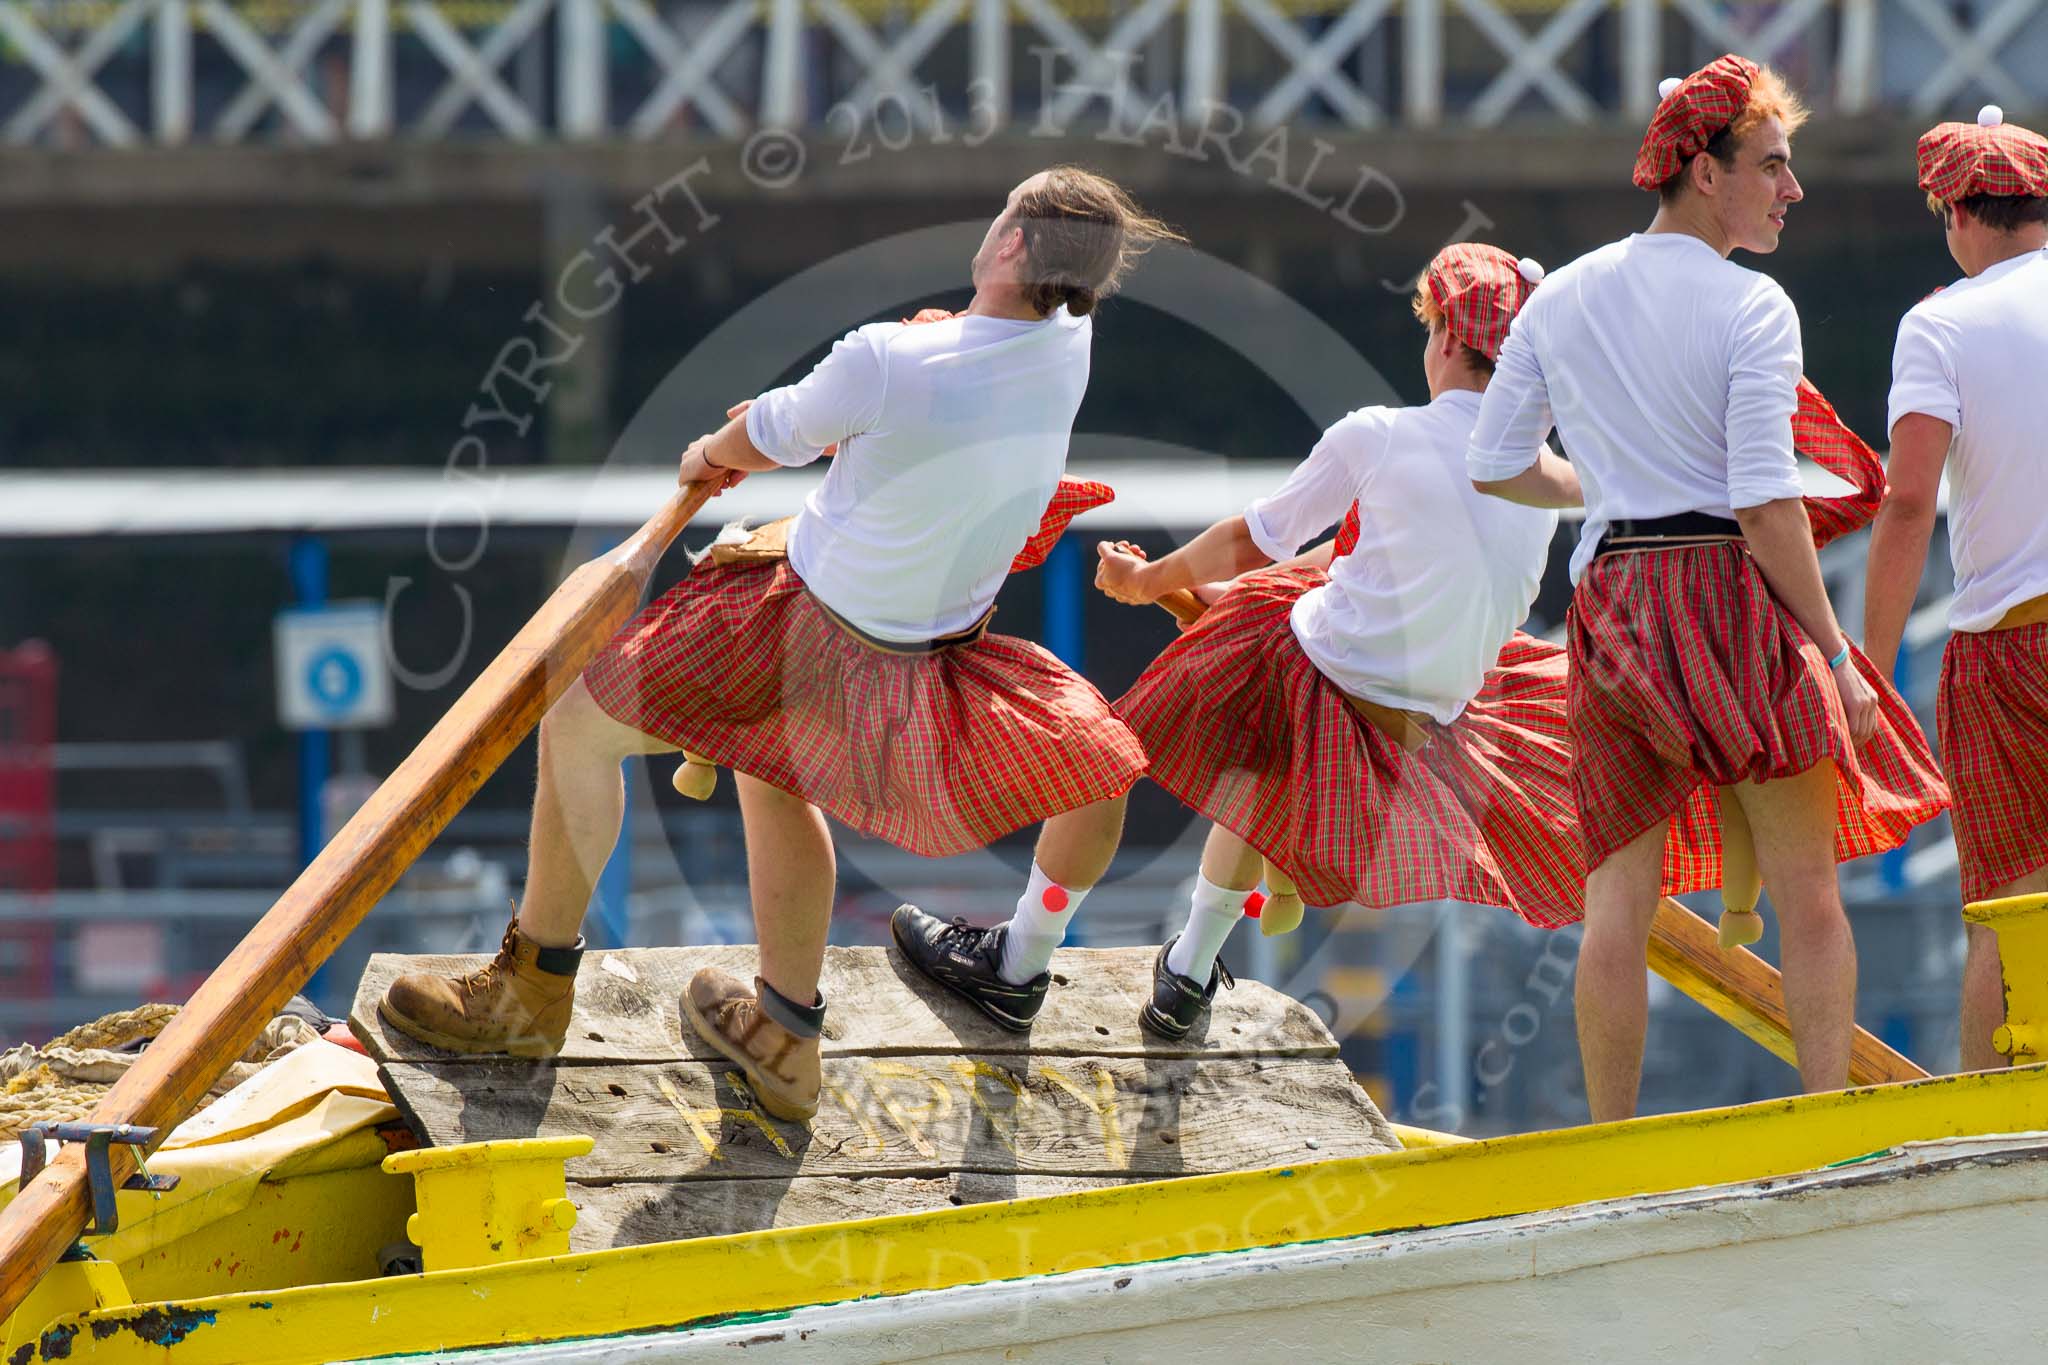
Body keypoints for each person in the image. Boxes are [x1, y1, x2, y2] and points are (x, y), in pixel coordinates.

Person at [379, 166, 1176, 1122]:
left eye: (1003, 212)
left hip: (805, 629)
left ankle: (529, 993)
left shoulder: (885, 359)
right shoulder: (1067, 344)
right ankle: (787, 1039)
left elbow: (772, 434)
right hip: (925, 648)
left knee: (579, 725)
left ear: (1010, 246)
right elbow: (931, 380)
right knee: (772, 772)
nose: (992, 222)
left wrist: (711, 456)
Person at [1467, 56, 1947, 1120]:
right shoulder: (1754, 303)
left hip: (1615, 601)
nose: (1791, 189)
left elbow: (1495, 463)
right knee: (1805, 890)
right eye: (1771, 166)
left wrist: (1604, 479)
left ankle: (1610, 1145)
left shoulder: (1560, 298)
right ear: (1701, 172)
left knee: (1617, 898)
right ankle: (1823, 1124)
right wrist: (1833, 652)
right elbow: (1763, 502)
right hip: (1730, 594)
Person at [1095, 244, 1580, 1041]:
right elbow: (1361, 555)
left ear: (1450, 341)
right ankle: (1260, 895)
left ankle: (1188, 968)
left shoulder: (1381, 434)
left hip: (1335, 673)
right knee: (1306, 591)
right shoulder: (1547, 476)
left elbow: (1259, 537)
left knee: (1259, 677)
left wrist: (1153, 584)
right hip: (1442, 705)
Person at [1862, 105, 2048, 1071]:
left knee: (2006, 910)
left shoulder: (1938, 324)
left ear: (1957, 213)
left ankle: (1988, 1134)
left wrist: (1874, 674)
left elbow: (1906, 506)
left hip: (2009, 649)